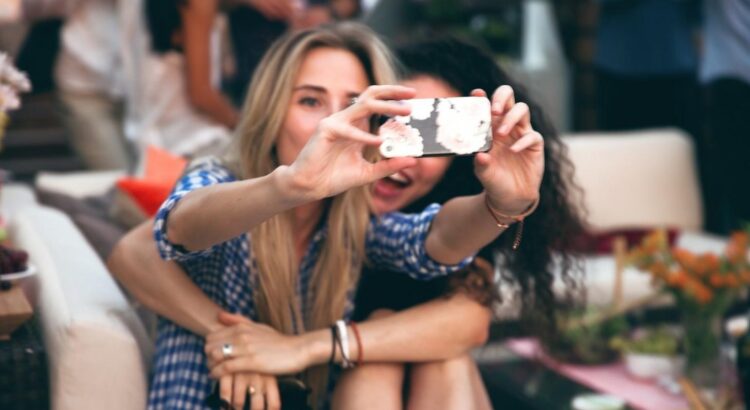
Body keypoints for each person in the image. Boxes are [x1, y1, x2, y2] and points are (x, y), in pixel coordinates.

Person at [110, 24, 548, 409]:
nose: (333, 124)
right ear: (272, 110)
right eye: (310, 101)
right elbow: (180, 226)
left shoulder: (351, 220)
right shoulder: (224, 180)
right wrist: (288, 186)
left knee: (433, 360)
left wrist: (503, 205)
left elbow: (433, 240)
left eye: (354, 103)